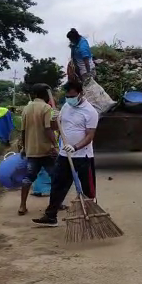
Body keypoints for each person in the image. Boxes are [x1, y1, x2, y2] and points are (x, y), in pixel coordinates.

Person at [32, 80, 98, 227]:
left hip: (83, 156)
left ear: (81, 94)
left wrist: (75, 147)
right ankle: (51, 216)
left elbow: (90, 136)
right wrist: (54, 119)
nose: (70, 99)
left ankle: (91, 216)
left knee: (88, 188)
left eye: (72, 96)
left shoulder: (91, 112)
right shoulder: (66, 107)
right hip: (64, 155)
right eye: (67, 96)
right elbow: (57, 127)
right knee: (58, 184)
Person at [19, 84, 59, 215]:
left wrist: (24, 147)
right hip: (46, 150)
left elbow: (23, 131)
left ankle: (22, 206)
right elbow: (49, 129)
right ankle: (55, 205)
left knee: (28, 178)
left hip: (31, 150)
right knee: (56, 177)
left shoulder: (26, 108)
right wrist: (55, 145)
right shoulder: (46, 108)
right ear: (46, 95)